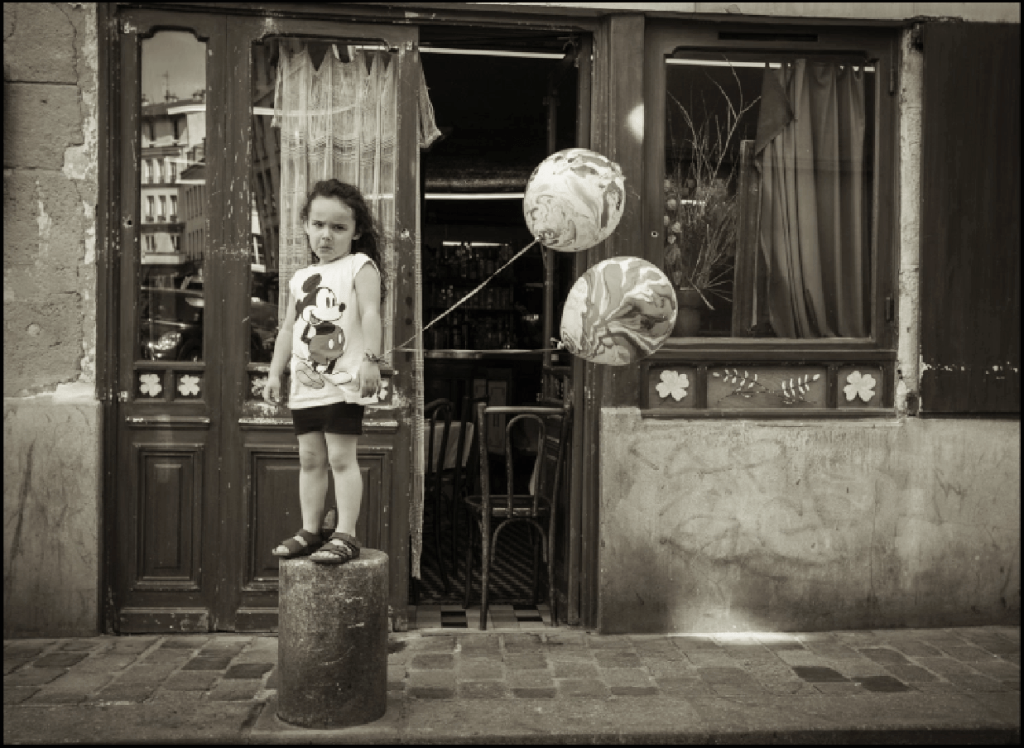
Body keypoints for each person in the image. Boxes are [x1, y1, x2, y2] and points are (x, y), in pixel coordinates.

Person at [264, 179, 386, 565]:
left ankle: (346, 533)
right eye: (318, 225)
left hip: (343, 383)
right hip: (305, 386)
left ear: (357, 231)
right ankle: (310, 531)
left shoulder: (360, 266)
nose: (326, 235)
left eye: (338, 227)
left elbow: (370, 313)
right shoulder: (300, 278)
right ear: (305, 226)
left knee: (341, 459)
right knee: (310, 460)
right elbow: (287, 329)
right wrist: (273, 373)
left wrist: (371, 359)